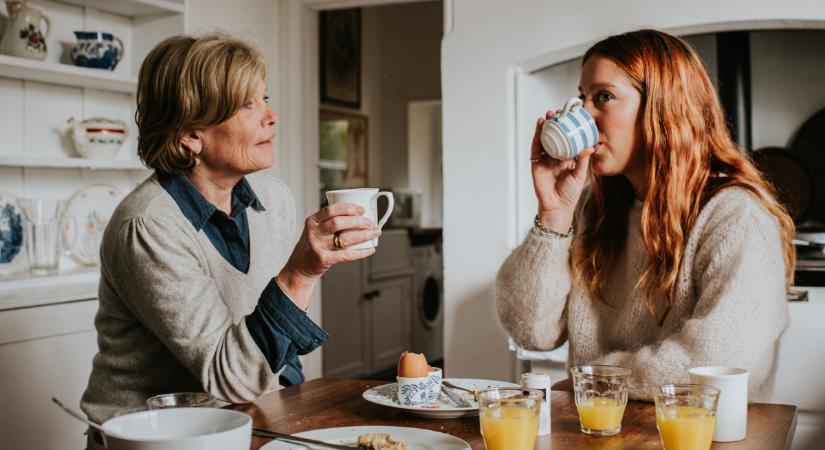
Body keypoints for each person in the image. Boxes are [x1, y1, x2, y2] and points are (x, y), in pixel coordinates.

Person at [80, 32, 380, 432]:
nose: (270, 116)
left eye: (265, 99)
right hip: (153, 441)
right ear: (190, 135)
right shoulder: (149, 225)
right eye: (245, 105)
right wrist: (301, 272)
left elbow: (273, 348)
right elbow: (231, 379)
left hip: (244, 427)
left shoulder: (274, 199)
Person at [496, 29, 795, 401]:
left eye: (603, 97)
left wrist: (594, 381)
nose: (582, 114)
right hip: (599, 431)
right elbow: (531, 331)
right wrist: (553, 215)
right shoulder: (593, 208)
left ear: (663, 107)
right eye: (581, 97)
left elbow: (718, 361)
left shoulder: (735, 217)